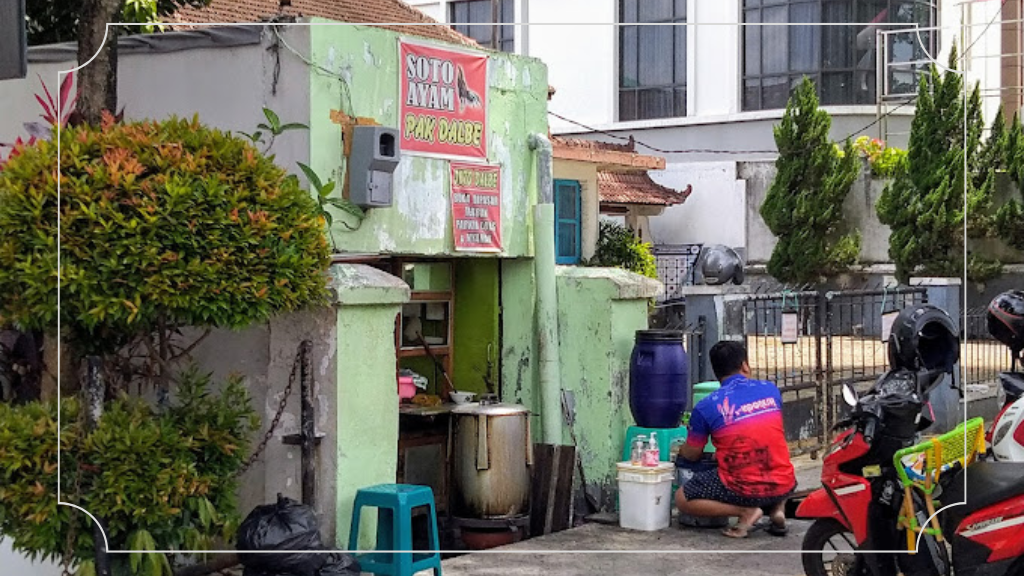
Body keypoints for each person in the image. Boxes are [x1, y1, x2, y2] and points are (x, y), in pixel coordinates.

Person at [675, 340, 796, 538]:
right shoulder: (770, 390)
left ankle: (745, 512)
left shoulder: (707, 406)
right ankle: (777, 510)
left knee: (682, 498)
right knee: (776, 457)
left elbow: (692, 453)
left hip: (742, 487)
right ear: (745, 365)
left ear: (716, 373)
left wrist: (681, 450)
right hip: (785, 481)